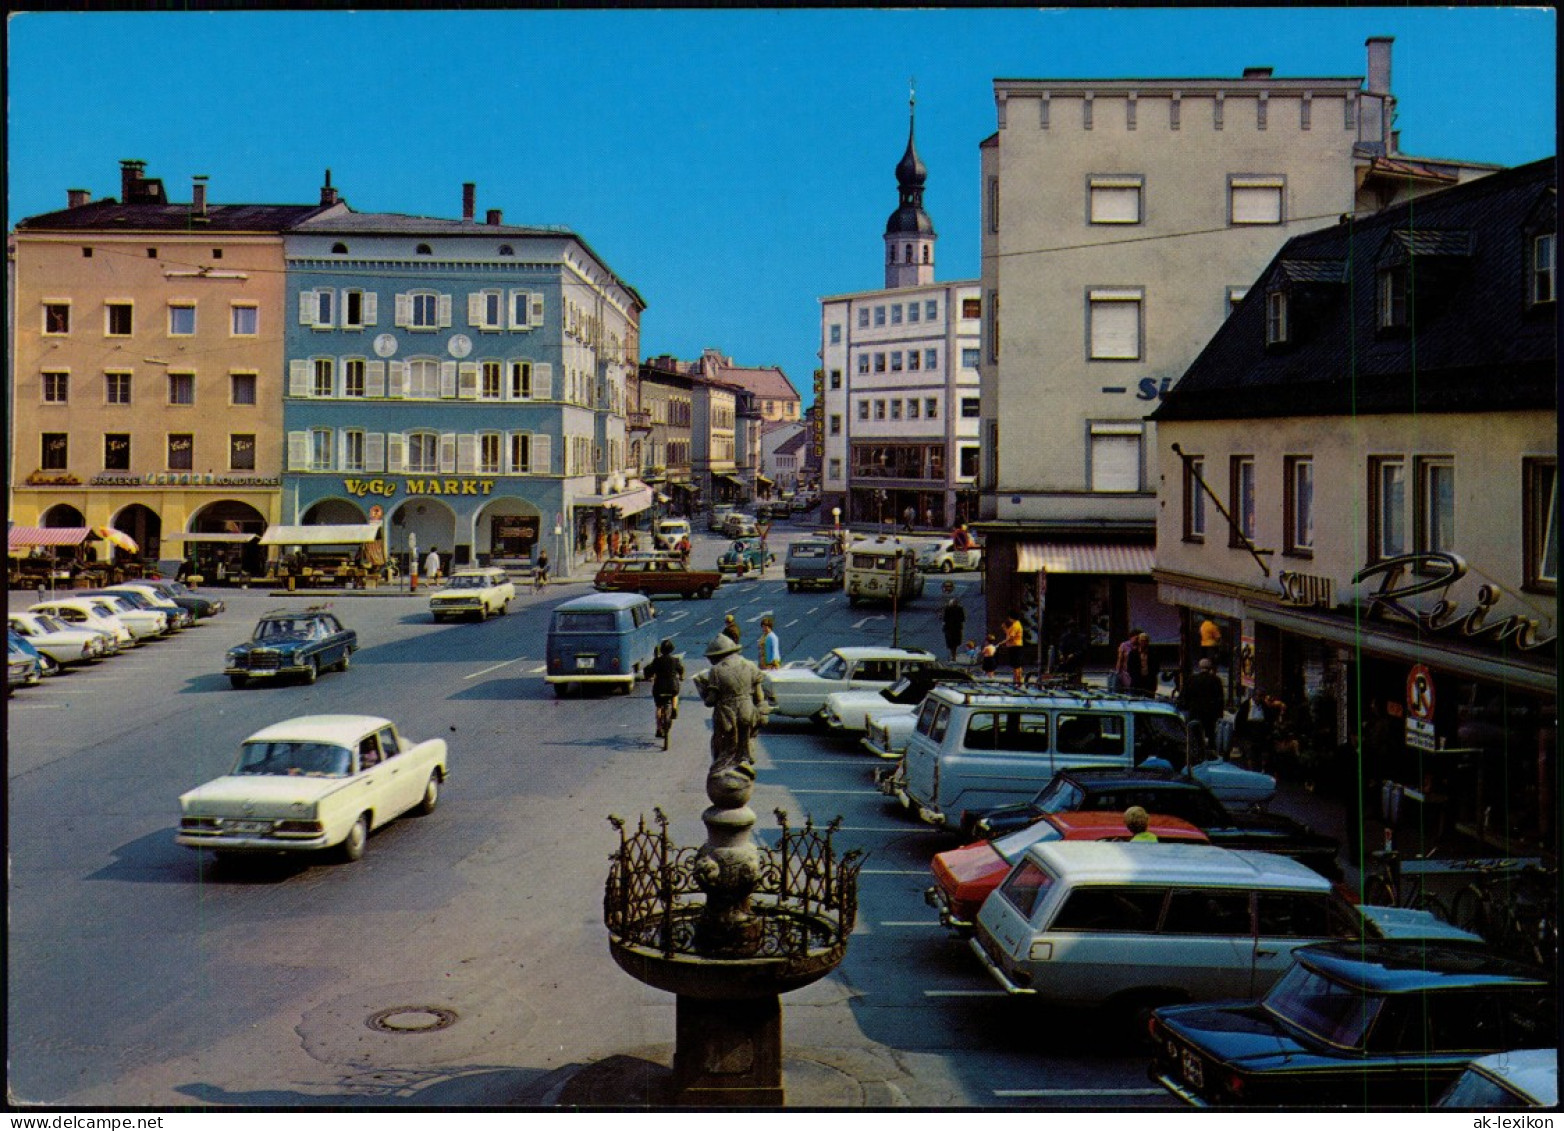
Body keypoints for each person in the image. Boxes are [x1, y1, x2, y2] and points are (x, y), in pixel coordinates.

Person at [693, 633, 770, 775]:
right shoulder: (750, 665)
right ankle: (744, 761)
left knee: (723, 747)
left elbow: (710, 701)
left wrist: (702, 688)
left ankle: (720, 771)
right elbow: (759, 695)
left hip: (727, 714)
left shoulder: (716, 671)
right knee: (747, 739)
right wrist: (763, 712)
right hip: (748, 709)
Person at [1179, 658, 1227, 757]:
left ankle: (1196, 753)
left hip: (1195, 712)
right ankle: (1210, 754)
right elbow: (1220, 699)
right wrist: (1219, 714)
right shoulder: (1215, 680)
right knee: (1210, 734)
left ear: (1199, 667)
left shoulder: (1192, 679)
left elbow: (1184, 696)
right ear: (1210, 668)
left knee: (1195, 735)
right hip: (1210, 714)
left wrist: (1186, 706)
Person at [646, 639, 686, 742]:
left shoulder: (657, 661)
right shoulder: (675, 660)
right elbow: (681, 670)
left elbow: (649, 670)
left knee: (659, 707)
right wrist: (681, 676)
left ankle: (659, 728)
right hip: (672, 686)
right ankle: (674, 708)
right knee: (675, 694)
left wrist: (649, 677)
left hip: (659, 687)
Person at [1055, 621, 1089, 686]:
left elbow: (1083, 649)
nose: (1071, 630)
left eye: (1073, 628)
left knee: (1076, 671)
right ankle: (1067, 681)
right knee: (1065, 668)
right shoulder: (1065, 637)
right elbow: (1061, 647)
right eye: (1070, 628)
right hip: (1066, 658)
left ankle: (1077, 682)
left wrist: (1074, 654)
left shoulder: (1081, 637)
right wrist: (1061, 654)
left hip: (1077, 659)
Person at [1111, 627, 1143, 692]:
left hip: (1137, 671)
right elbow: (1119, 659)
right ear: (1132, 637)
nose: (1137, 640)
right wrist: (1117, 672)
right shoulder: (1124, 645)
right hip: (1126, 672)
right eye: (1136, 638)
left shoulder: (1141, 646)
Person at [940, 594, 967, 661]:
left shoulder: (947, 609)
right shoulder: (960, 609)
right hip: (957, 628)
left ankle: (953, 655)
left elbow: (944, 619)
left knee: (950, 642)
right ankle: (954, 655)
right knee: (955, 643)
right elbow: (963, 619)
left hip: (949, 628)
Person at [1002, 613, 1025, 687]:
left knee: (1016, 665)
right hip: (1013, 646)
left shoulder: (1016, 625)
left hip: (1015, 646)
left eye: (1009, 618)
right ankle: (1016, 680)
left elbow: (1011, 636)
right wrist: (1005, 628)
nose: (1009, 619)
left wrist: (1003, 642)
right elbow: (1009, 633)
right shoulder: (1014, 625)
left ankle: (1018, 681)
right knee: (1015, 665)